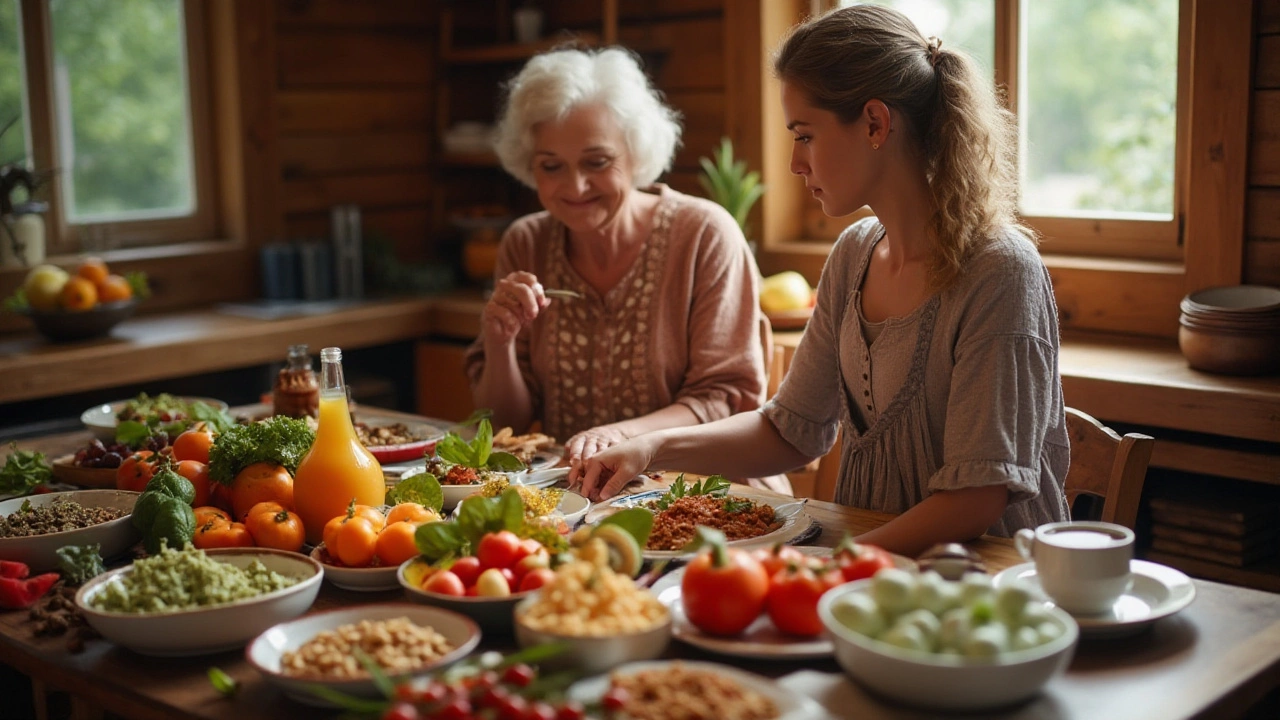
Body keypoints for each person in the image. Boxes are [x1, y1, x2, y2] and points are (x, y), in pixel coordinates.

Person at [579, 5, 1070, 556]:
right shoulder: (855, 253)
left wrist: (827, 565)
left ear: (876, 124)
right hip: (864, 569)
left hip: (983, 583)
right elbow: (790, 432)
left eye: (805, 135)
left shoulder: (1000, 271)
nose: (794, 163)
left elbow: (976, 500)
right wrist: (650, 447)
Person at [467, 46, 787, 493]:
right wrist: (500, 343)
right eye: (551, 166)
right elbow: (507, 425)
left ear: (637, 153)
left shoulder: (703, 234)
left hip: (708, 490)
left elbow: (723, 401)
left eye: (597, 162)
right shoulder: (526, 241)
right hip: (578, 494)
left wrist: (623, 435)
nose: (574, 186)